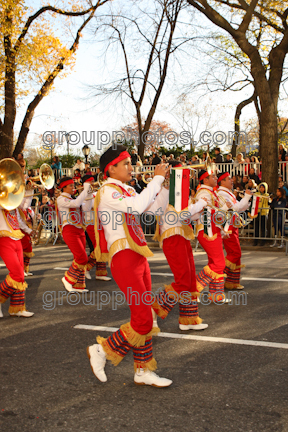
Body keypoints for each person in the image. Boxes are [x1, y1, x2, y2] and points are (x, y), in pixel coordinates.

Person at [86, 145, 172, 387]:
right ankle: (101, 350)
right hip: (124, 257)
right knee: (143, 319)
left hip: (137, 254)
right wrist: (155, 179)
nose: (131, 167)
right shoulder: (107, 191)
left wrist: (164, 187)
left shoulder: (125, 189)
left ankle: (143, 371)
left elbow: (153, 209)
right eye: (125, 163)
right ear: (110, 169)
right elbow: (135, 207)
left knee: (146, 318)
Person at [152, 161, 208, 330]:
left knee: (190, 280)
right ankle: (151, 309)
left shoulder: (179, 192)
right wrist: (201, 204)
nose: (188, 174)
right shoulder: (165, 191)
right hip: (172, 236)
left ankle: (188, 320)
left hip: (182, 236)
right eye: (184, 171)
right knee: (183, 281)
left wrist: (201, 211)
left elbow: (185, 217)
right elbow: (181, 213)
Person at [194, 169, 231, 303]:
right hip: (207, 231)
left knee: (215, 262)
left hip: (212, 231)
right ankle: (194, 290)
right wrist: (225, 209)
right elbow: (209, 213)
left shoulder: (210, 192)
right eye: (213, 176)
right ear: (205, 180)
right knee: (219, 263)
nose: (216, 178)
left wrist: (222, 230)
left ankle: (216, 295)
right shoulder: (204, 193)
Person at [56, 176, 93, 293]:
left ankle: (78, 285)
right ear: (64, 187)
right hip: (69, 230)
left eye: (73, 185)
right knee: (81, 258)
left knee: (81, 258)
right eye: (71, 186)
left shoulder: (74, 198)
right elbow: (76, 204)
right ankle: (68, 279)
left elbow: (86, 208)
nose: (74, 187)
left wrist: (88, 195)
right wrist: (85, 189)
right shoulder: (61, 199)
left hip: (79, 229)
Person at [217, 172, 252, 289]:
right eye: (229, 179)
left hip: (232, 225)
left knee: (236, 255)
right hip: (228, 227)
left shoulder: (227, 193)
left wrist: (248, 200)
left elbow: (239, 207)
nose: (232, 180)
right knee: (235, 253)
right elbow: (235, 208)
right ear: (222, 181)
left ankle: (232, 282)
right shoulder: (222, 193)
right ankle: (217, 273)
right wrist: (246, 197)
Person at [0, 205, 34, 318]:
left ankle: (17, 308)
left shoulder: (12, 202)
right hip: (4, 238)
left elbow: (19, 218)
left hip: (17, 237)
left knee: (21, 276)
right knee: (17, 274)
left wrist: (29, 230)